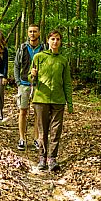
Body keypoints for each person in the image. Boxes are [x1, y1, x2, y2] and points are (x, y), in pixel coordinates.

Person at [30, 29, 73, 172]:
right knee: (42, 130)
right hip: (41, 99)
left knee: (56, 130)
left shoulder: (63, 61)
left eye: (58, 39)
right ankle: (42, 157)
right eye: (53, 39)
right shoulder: (38, 57)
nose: (55, 42)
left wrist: (70, 103)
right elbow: (31, 78)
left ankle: (52, 159)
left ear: (61, 42)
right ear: (48, 41)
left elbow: (67, 83)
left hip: (58, 100)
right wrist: (33, 75)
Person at [14, 24, 46, 151]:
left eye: (35, 31)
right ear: (28, 33)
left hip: (39, 85)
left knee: (38, 113)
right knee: (23, 111)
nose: (32, 34)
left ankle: (37, 139)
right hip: (24, 83)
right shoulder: (22, 47)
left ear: (39, 33)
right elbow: (16, 65)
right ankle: (22, 138)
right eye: (30, 31)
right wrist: (18, 82)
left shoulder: (43, 48)